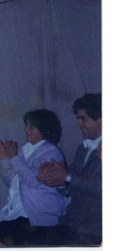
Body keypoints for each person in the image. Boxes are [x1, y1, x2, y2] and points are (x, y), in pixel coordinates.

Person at [0, 109, 66, 246]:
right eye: (26, 125)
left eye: (31, 127)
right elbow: (11, 182)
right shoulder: (25, 149)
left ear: (44, 130)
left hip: (39, 215)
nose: (26, 129)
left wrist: (13, 157)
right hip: (20, 211)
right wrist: (4, 159)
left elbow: (33, 180)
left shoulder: (51, 151)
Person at [36, 93, 102, 246]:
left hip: (95, 232)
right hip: (72, 226)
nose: (79, 125)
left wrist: (67, 177)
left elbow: (101, 188)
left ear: (100, 119)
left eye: (83, 119)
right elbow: (70, 188)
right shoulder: (83, 148)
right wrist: (55, 178)